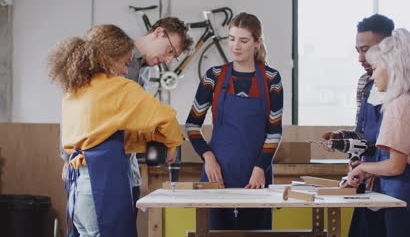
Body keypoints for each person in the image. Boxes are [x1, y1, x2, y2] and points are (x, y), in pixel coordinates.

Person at [48, 24, 182, 237]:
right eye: (125, 63)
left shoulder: (75, 88)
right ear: (110, 58)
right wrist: (172, 145)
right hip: (101, 183)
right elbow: (167, 118)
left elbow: (105, 135)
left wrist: (148, 140)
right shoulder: (118, 87)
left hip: (78, 187)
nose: (126, 71)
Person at [185, 12, 283, 230]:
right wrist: (208, 157)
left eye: (243, 40)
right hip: (217, 175)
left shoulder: (271, 79)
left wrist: (260, 168)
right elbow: (192, 125)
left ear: (257, 42)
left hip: (256, 176)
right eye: (231, 38)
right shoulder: (214, 76)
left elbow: (275, 132)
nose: (235, 46)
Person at [344, 28, 410, 236]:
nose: (373, 75)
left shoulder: (399, 107)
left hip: (403, 195)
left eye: (376, 68)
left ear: (392, 68)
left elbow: (395, 166)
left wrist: (364, 167)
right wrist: (367, 170)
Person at [322, 14, 410, 156]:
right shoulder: (365, 82)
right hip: (368, 173)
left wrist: (393, 162)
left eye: (366, 50)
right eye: (358, 51)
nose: (360, 59)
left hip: (403, 175)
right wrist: (341, 137)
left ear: (388, 46)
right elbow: (365, 135)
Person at [125, 17, 193, 221]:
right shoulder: (118, 56)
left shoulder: (144, 72)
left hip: (127, 163)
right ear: (158, 32)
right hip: (98, 162)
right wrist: (68, 156)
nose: (169, 60)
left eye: (175, 56)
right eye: (170, 50)